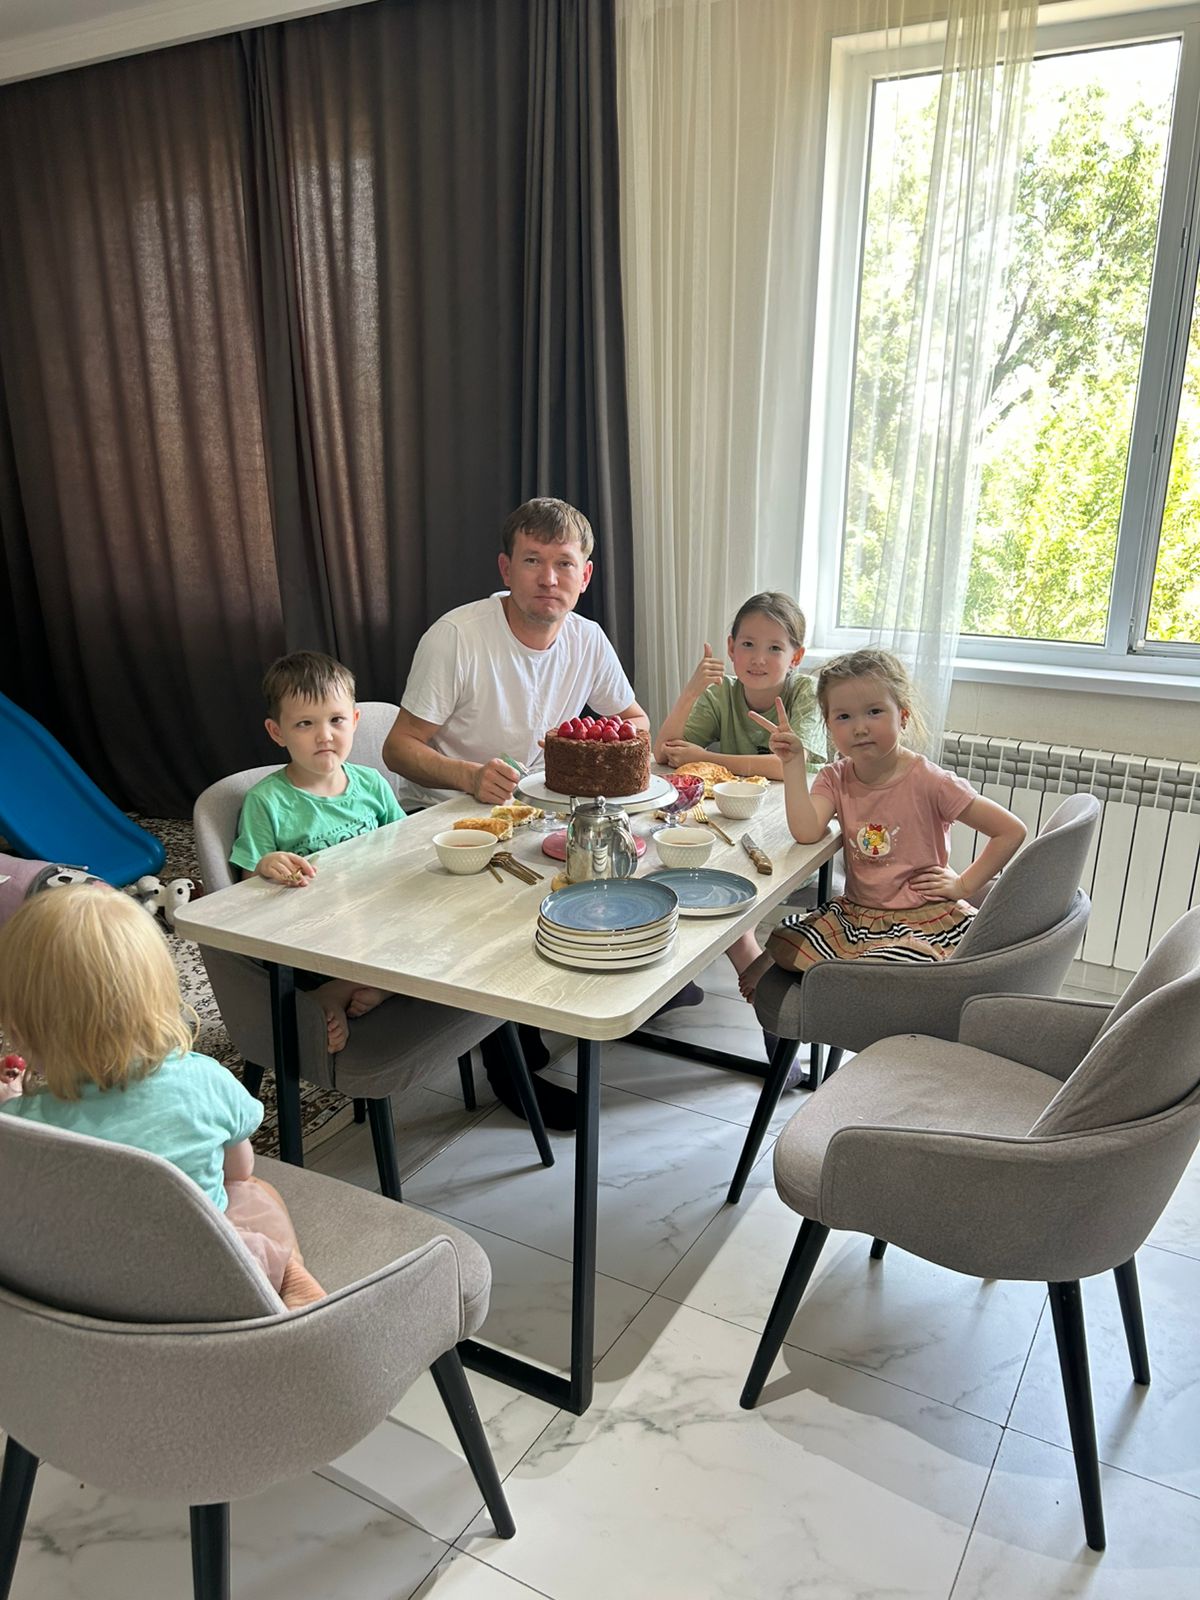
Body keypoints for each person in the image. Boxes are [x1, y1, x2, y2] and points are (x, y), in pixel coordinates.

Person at [384, 497, 650, 1128]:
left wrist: (591, 755)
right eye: (532, 560)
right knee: (519, 906)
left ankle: (584, 1004)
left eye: (564, 563)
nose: (548, 578)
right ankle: (510, 1060)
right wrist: (468, 776)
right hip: (448, 816)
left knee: (610, 866)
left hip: (533, 813)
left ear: (585, 575)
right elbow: (398, 747)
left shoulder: (587, 639)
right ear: (506, 568)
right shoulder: (458, 636)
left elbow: (635, 722)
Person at [0, 886, 325, 1310]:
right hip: (208, 1272)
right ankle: (289, 1272)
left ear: (23, 1028)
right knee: (254, 1190)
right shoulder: (205, 1080)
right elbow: (239, 1169)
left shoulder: (22, 1124)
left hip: (90, 1284)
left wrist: (11, 1102)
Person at [738, 648, 1027, 999]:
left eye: (874, 711)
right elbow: (806, 830)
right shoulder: (835, 777)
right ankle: (848, 973)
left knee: (893, 964)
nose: (860, 727)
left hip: (924, 917)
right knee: (785, 939)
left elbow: (1010, 831)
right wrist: (793, 763)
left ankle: (857, 976)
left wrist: (964, 885)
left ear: (902, 716)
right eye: (843, 716)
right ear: (829, 726)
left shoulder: (931, 781)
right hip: (858, 915)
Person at [230, 650, 406, 1052]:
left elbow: (405, 845)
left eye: (336, 720)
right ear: (277, 732)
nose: (324, 735)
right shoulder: (266, 801)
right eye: (305, 724)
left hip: (379, 913)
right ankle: (367, 984)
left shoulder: (372, 784)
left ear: (355, 720)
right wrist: (266, 865)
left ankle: (353, 987)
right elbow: (245, 885)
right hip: (316, 931)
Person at [654, 592, 826, 991]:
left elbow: (795, 767)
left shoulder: (806, 693)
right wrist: (691, 692)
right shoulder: (722, 692)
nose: (758, 658)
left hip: (791, 829)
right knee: (676, 857)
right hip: (734, 823)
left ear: (796, 657)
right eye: (748, 644)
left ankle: (750, 960)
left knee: (718, 877)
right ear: (731, 648)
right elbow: (663, 754)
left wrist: (709, 758)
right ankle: (679, 980)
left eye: (775, 648)